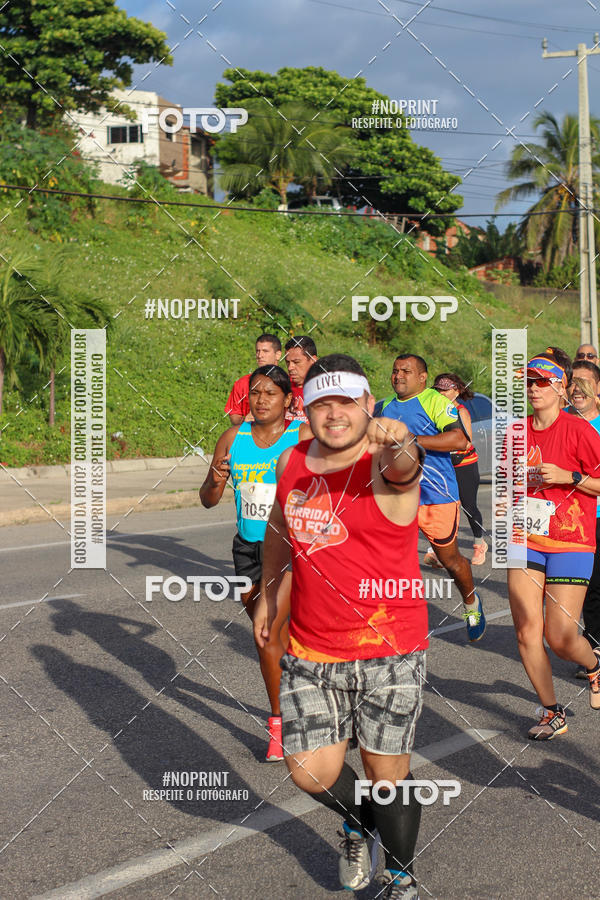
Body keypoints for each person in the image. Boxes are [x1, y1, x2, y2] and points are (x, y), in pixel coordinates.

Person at [254, 354, 428, 898]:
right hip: (312, 646)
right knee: (308, 772)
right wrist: (268, 595)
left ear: (368, 405)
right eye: (322, 403)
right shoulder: (293, 462)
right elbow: (280, 529)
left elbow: (405, 465)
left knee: (385, 773)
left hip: (389, 646)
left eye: (346, 403)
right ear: (306, 409)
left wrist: (400, 440)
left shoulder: (384, 460)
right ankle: (357, 822)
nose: (334, 414)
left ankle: (400, 876)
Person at [201, 365, 311, 760]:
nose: (260, 400)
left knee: (265, 634)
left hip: (292, 549)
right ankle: (306, 698)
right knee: (274, 639)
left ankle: (279, 724)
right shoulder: (233, 437)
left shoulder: (303, 437)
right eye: (255, 393)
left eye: (269, 393)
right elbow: (208, 498)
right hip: (248, 549)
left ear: (288, 399)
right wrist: (216, 478)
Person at [507, 351, 600, 740]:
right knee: (528, 631)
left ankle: (594, 666)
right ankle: (551, 712)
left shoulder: (581, 431)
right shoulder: (515, 431)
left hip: (572, 541)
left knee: (560, 638)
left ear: (563, 388)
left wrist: (569, 475)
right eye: (529, 381)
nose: (533, 388)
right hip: (525, 539)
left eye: (542, 381)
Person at [374, 354, 486, 641]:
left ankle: (471, 603)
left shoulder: (436, 403)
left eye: (406, 371)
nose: (398, 375)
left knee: (451, 561)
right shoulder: (383, 406)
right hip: (398, 498)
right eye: (395, 370)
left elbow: (460, 440)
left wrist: (411, 441)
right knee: (389, 560)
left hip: (436, 495)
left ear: (423, 377)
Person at [433, 373, 487, 566]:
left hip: (464, 464)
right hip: (443, 465)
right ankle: (442, 551)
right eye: (437, 390)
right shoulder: (435, 410)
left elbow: (467, 441)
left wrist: (449, 446)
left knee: (468, 506)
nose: (440, 393)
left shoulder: (460, 411)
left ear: (456, 391)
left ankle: (479, 544)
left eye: (444, 390)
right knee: (445, 507)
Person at [568, 359, 600, 675]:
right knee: (587, 585)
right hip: (573, 519)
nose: (577, 389)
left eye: (585, 382)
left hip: (598, 513)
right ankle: (592, 645)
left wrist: (573, 476)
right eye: (572, 383)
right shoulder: (559, 422)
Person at [224, 334, 282, 425]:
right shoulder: (243, 383)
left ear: (278, 355)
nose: (260, 355)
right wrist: (244, 421)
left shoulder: (289, 382)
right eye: (258, 351)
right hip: (251, 436)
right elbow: (234, 413)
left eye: (265, 351)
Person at [283, 335, 318, 423]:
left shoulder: (325, 389)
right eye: (287, 362)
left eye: (296, 362)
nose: (290, 367)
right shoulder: (281, 386)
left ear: (313, 360)